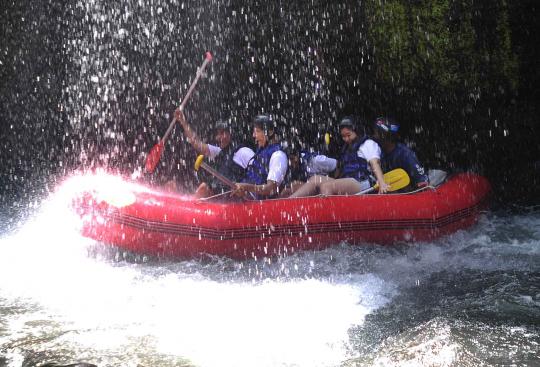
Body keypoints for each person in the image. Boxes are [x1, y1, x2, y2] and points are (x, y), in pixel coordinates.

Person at [290, 116, 389, 197]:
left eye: (348, 135)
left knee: (327, 187)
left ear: (357, 131)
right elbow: (340, 170)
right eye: (343, 136)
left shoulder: (368, 144)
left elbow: (375, 163)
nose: (346, 139)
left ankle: (327, 218)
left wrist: (382, 183)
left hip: (364, 183)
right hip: (348, 180)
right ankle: (289, 203)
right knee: (316, 179)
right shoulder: (346, 148)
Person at [175, 108, 255, 198]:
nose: (218, 138)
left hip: (238, 201)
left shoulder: (244, 152)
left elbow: (257, 176)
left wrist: (247, 191)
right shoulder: (220, 151)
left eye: (222, 133)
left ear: (231, 133)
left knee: (204, 188)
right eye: (218, 134)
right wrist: (183, 122)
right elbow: (196, 143)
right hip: (222, 199)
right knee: (178, 185)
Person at [231, 114, 288, 199]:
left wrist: (246, 187)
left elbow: (270, 189)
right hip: (248, 202)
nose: (254, 135)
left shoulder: (278, 156)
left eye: (257, 131)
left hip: (262, 207)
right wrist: (243, 192)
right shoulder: (260, 152)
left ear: (270, 132)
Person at [371, 116, 429, 190]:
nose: (373, 136)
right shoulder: (377, 153)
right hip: (387, 193)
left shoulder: (406, 154)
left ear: (384, 135)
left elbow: (423, 182)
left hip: (406, 195)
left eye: (376, 133)